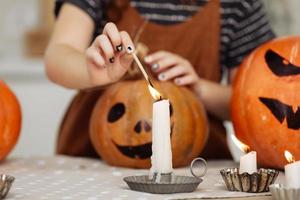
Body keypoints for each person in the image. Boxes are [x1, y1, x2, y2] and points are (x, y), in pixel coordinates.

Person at [45, 0, 275, 159]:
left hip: (194, 164)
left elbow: (254, 105)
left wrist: (199, 89)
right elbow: (57, 57)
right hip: (94, 159)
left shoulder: (237, 5)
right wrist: (90, 70)